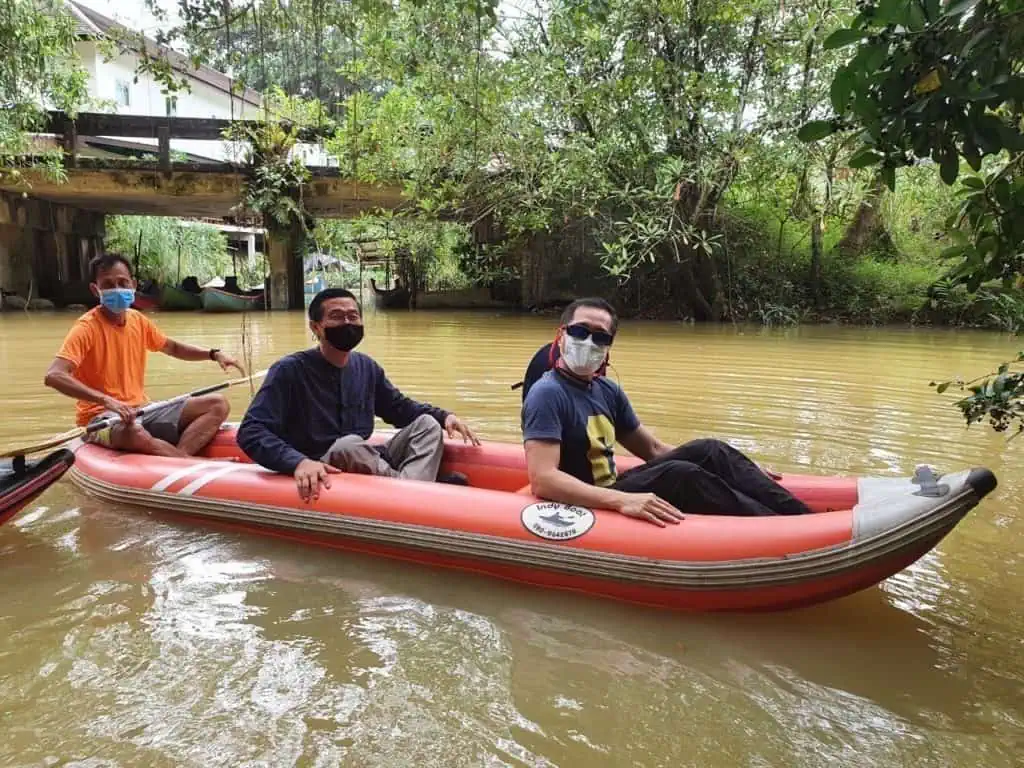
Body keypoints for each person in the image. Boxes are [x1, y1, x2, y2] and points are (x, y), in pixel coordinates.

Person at [521, 297, 813, 527]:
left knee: (709, 450)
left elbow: (653, 448)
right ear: (561, 335)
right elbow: (543, 479)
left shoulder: (607, 391)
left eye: (600, 337)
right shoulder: (548, 393)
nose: (588, 342)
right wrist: (622, 500)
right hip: (584, 501)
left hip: (612, 485)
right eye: (580, 331)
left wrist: (740, 470)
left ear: (609, 347)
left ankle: (805, 519)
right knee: (682, 475)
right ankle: (783, 530)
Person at [237, 288, 480, 502]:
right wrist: (299, 462)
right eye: (336, 317)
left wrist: (444, 416)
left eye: (353, 316)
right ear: (315, 327)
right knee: (348, 444)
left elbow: (399, 408)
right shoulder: (289, 370)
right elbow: (251, 431)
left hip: (365, 457)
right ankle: (423, 489)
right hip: (321, 462)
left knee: (427, 425)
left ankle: (411, 487)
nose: (347, 323)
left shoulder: (366, 367)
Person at [44, 253, 245, 457]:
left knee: (218, 404)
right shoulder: (86, 328)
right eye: (108, 284)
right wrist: (107, 401)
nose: (117, 289)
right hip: (101, 417)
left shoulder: (137, 320)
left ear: (133, 284)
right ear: (96, 290)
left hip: (142, 409)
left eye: (122, 282)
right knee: (135, 433)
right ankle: (188, 462)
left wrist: (213, 354)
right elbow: (54, 376)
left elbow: (173, 348)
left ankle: (177, 458)